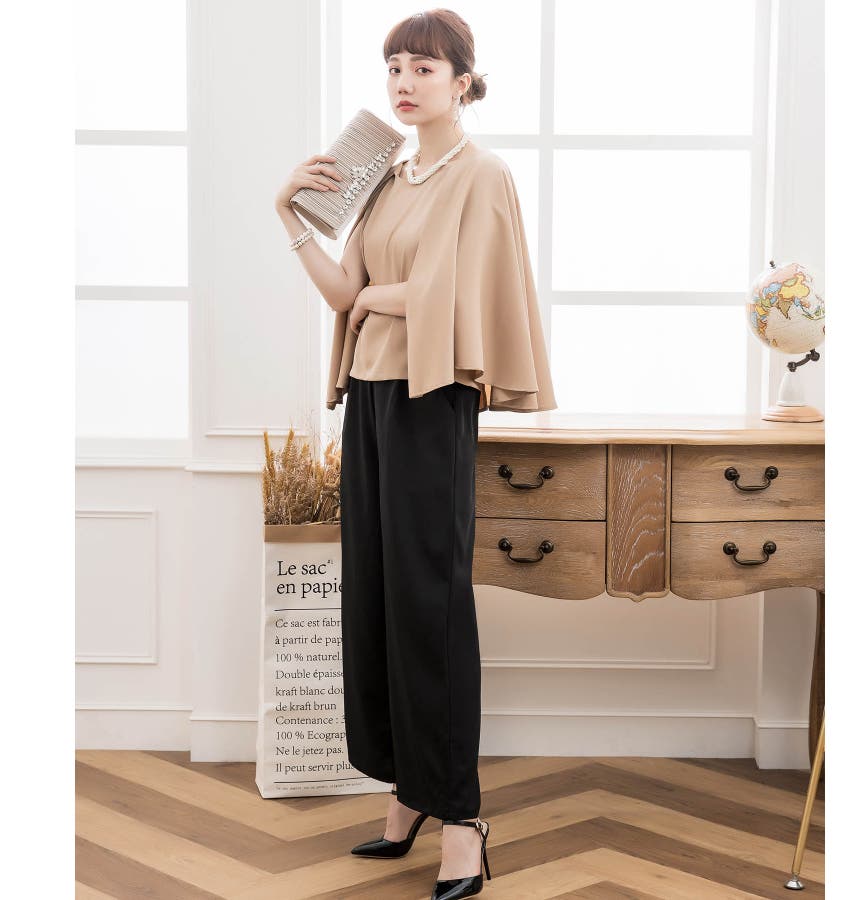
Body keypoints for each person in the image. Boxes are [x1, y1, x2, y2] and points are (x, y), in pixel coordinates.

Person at [274, 10, 556, 898]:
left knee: (431, 606)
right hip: (370, 397)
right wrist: (290, 215)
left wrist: (381, 298)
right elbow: (346, 294)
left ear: (463, 82)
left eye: (425, 68)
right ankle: (408, 793)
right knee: (380, 600)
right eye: (395, 65)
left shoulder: (483, 174)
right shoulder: (386, 176)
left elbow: (462, 292)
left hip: (432, 397)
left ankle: (462, 822)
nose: (404, 81)